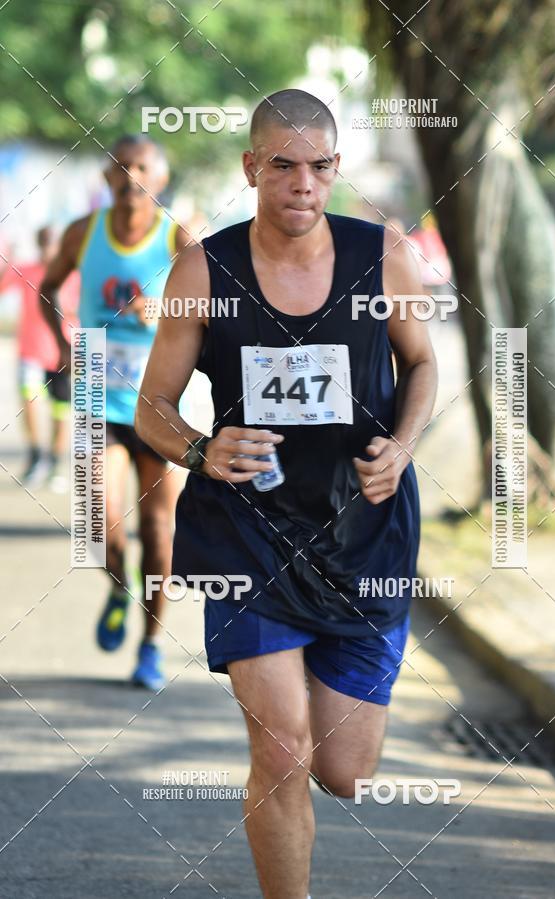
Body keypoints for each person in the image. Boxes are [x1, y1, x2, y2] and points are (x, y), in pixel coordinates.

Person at [135, 89, 438, 898]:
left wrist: (402, 448)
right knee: (281, 751)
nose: (303, 183)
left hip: (364, 536)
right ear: (251, 168)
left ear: (336, 170)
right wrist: (202, 448)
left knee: (343, 770)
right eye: (283, 165)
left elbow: (425, 365)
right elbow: (151, 405)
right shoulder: (205, 267)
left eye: (320, 167)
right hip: (250, 535)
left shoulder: (385, 256)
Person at [40, 135, 190, 690]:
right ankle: (117, 585)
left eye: (142, 166)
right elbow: (47, 288)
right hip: (96, 387)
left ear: (161, 177)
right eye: (120, 167)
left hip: (159, 397)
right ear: (106, 178)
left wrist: (169, 312)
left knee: (159, 531)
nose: (131, 176)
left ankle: (150, 647)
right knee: (98, 519)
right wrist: (62, 345)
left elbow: (219, 305)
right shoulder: (84, 233)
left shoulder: (178, 238)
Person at [0, 226, 79, 489]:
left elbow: (87, 307)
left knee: (61, 410)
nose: (47, 249)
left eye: (52, 243)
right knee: (30, 400)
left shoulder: (74, 274)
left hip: (63, 354)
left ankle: (55, 462)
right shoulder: (25, 269)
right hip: (30, 351)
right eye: (43, 243)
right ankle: (36, 456)